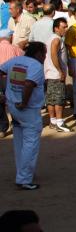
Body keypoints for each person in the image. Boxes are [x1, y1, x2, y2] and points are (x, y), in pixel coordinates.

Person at [0, 43, 47, 189]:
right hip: (27, 109)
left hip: (13, 106)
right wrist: (24, 102)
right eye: (44, 53)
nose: (45, 57)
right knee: (30, 143)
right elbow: (28, 85)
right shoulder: (36, 66)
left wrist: (2, 93)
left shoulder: (15, 61)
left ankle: (23, 172)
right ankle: (24, 178)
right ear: (38, 53)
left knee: (19, 141)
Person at [45, 17, 70, 133]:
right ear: (56, 28)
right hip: (56, 74)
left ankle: (53, 121)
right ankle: (59, 122)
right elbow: (53, 55)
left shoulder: (51, 38)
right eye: (63, 27)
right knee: (59, 99)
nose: (66, 29)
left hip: (50, 73)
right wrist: (60, 71)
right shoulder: (57, 40)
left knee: (51, 99)